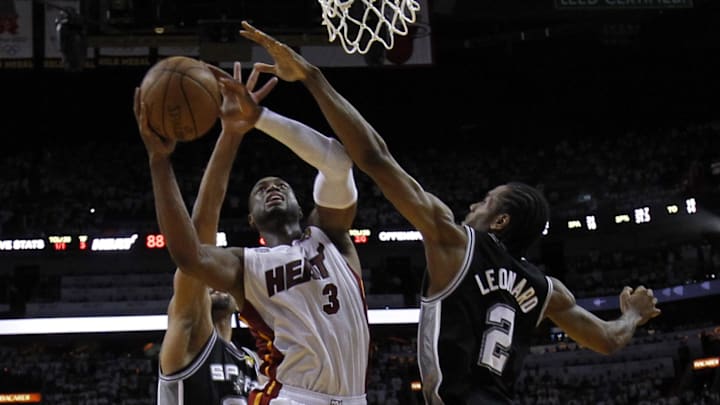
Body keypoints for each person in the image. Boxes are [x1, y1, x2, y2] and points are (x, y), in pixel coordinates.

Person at [237, 21, 663, 405]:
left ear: (500, 221)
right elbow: (608, 339)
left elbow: (373, 155)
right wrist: (633, 315)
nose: (474, 204)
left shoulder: (456, 243)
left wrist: (313, 78)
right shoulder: (546, 289)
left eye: (487, 200)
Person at [136, 58, 370, 405]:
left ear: (302, 204)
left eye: (280, 185)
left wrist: (260, 119)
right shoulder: (246, 267)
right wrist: (160, 161)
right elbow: (190, 253)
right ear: (251, 220)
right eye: (260, 190)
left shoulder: (332, 237)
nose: (270, 188)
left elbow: (337, 164)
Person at [152, 63, 276, 404]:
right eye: (204, 284)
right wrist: (231, 135)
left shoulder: (253, 364)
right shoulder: (190, 338)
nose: (212, 284)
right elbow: (200, 242)